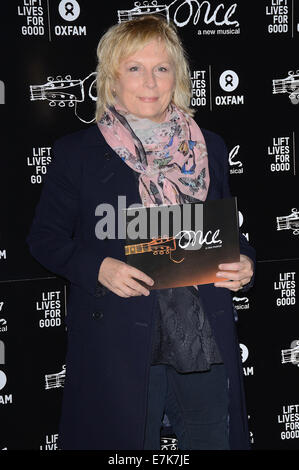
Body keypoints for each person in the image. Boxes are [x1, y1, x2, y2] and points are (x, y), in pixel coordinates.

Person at [26, 15, 255, 450]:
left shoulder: (210, 146)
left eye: (162, 68)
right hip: (121, 338)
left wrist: (245, 261)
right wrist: (98, 267)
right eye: (135, 68)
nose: (150, 81)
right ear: (112, 79)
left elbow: (228, 231)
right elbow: (45, 239)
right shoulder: (77, 153)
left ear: (178, 77)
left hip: (201, 336)